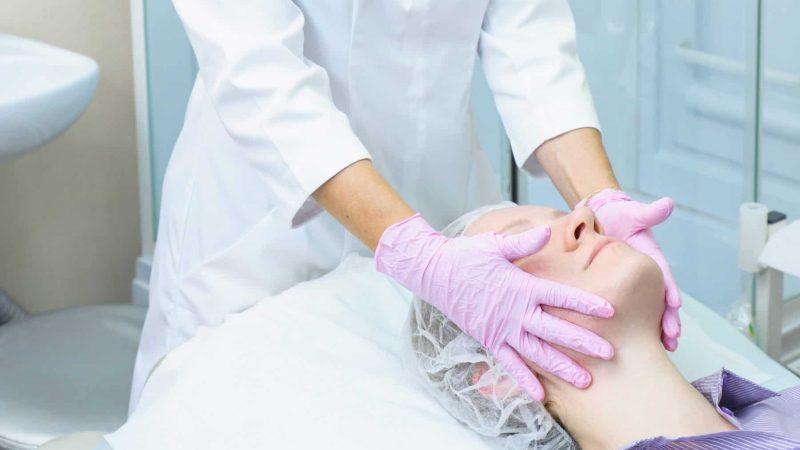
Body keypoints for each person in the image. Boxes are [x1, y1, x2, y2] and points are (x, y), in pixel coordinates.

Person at [130, 0, 682, 411]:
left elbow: (531, 44)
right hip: (265, 221)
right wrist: (415, 252)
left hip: (444, 200)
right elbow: (256, 70)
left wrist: (601, 195)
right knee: (253, 409)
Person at [408, 202, 800, 449]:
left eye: (563, 214)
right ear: (499, 375)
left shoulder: (777, 406)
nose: (584, 216)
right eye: (523, 240)